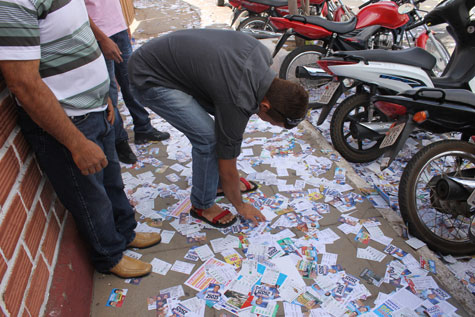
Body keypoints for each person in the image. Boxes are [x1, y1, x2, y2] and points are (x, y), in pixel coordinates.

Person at [0, 0, 161, 278]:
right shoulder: (12, 4)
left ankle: (125, 232)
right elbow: (23, 83)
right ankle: (109, 256)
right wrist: (75, 142)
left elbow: (79, 31)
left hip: (97, 108)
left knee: (112, 181)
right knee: (90, 196)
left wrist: (103, 97)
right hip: (69, 122)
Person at [128, 29, 309, 228]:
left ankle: (219, 185)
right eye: (273, 123)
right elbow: (227, 161)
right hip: (149, 76)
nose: (271, 124)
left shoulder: (263, 55)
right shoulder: (239, 98)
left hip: (167, 59)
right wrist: (240, 205)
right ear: (265, 106)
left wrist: (228, 179)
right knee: (209, 139)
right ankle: (202, 205)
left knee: (223, 133)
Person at [85, 0, 170, 164]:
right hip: (99, 36)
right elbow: (78, 12)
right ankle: (119, 141)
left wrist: (123, 24)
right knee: (110, 92)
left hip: (118, 29)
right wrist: (102, 39)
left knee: (132, 81)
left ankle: (143, 127)